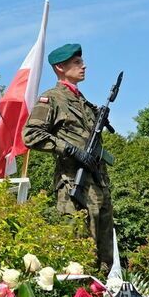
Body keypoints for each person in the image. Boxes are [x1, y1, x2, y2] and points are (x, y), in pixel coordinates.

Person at [23, 43, 115, 271]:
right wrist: (70, 149)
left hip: (98, 183)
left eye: (81, 62)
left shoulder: (83, 102)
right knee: (81, 253)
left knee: (105, 256)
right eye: (77, 63)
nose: (83, 67)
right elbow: (31, 134)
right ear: (60, 67)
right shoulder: (52, 98)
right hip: (74, 184)